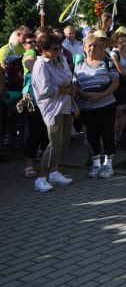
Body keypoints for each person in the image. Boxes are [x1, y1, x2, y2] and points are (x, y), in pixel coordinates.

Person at [31, 30, 76, 192]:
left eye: (59, 48)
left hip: (65, 105)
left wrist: (67, 87)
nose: (58, 51)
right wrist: (65, 90)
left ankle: (54, 172)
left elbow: (68, 76)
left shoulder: (59, 59)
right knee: (55, 142)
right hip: (52, 108)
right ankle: (41, 177)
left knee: (64, 140)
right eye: (55, 48)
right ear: (44, 49)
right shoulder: (40, 64)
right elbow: (45, 90)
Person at [74, 33, 120, 178]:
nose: (92, 48)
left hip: (106, 104)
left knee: (107, 133)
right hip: (87, 106)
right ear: (84, 48)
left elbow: (115, 83)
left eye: (95, 45)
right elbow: (74, 85)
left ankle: (108, 165)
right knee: (91, 136)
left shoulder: (108, 63)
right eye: (89, 46)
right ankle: (96, 165)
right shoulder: (79, 65)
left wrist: (103, 94)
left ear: (100, 48)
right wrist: (83, 94)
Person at [20, 32, 48, 179]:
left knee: (45, 133)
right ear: (24, 45)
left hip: (44, 99)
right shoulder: (30, 53)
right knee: (36, 132)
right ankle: (29, 166)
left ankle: (46, 165)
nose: (32, 44)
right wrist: (40, 71)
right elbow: (28, 62)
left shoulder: (43, 53)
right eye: (29, 42)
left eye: (34, 42)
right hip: (33, 100)